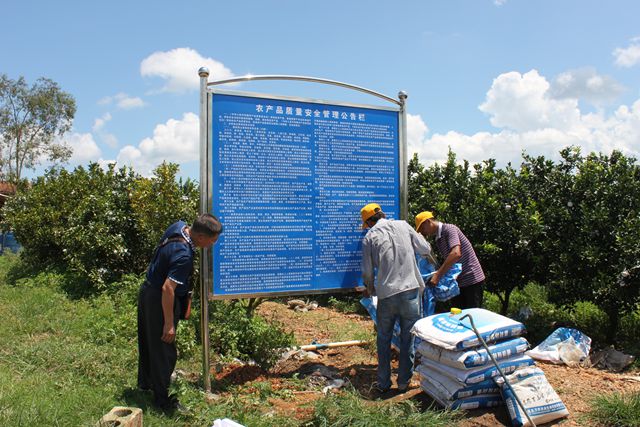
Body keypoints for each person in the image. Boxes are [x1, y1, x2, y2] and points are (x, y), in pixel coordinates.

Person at [137, 213, 222, 411]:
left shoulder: (179, 227)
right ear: (200, 237)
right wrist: (169, 323)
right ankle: (162, 400)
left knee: (150, 342)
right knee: (164, 350)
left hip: (148, 292)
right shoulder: (183, 255)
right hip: (161, 298)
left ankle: (145, 384)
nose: (212, 244)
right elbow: (168, 288)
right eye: (212, 240)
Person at [360, 203, 432, 394]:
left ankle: (383, 384)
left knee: (384, 338)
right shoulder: (404, 225)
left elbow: (367, 272)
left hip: (387, 294)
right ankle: (403, 382)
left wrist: (370, 288)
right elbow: (425, 248)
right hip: (410, 291)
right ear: (382, 214)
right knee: (408, 338)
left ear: (368, 222)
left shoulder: (369, 237)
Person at [415, 211, 485, 309]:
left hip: (471, 280)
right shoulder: (438, 239)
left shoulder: (449, 229)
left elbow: (456, 253)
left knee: (472, 316)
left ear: (428, 222)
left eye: (422, 228)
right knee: (458, 316)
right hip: (459, 282)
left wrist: (437, 276)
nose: (423, 232)